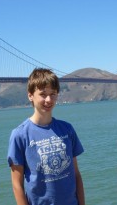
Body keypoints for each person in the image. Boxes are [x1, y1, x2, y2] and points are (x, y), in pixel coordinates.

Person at [7, 68, 85, 205]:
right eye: (43, 94)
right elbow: (16, 185)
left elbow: (76, 174)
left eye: (53, 94)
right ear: (30, 95)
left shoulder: (67, 129)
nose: (48, 100)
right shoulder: (19, 135)